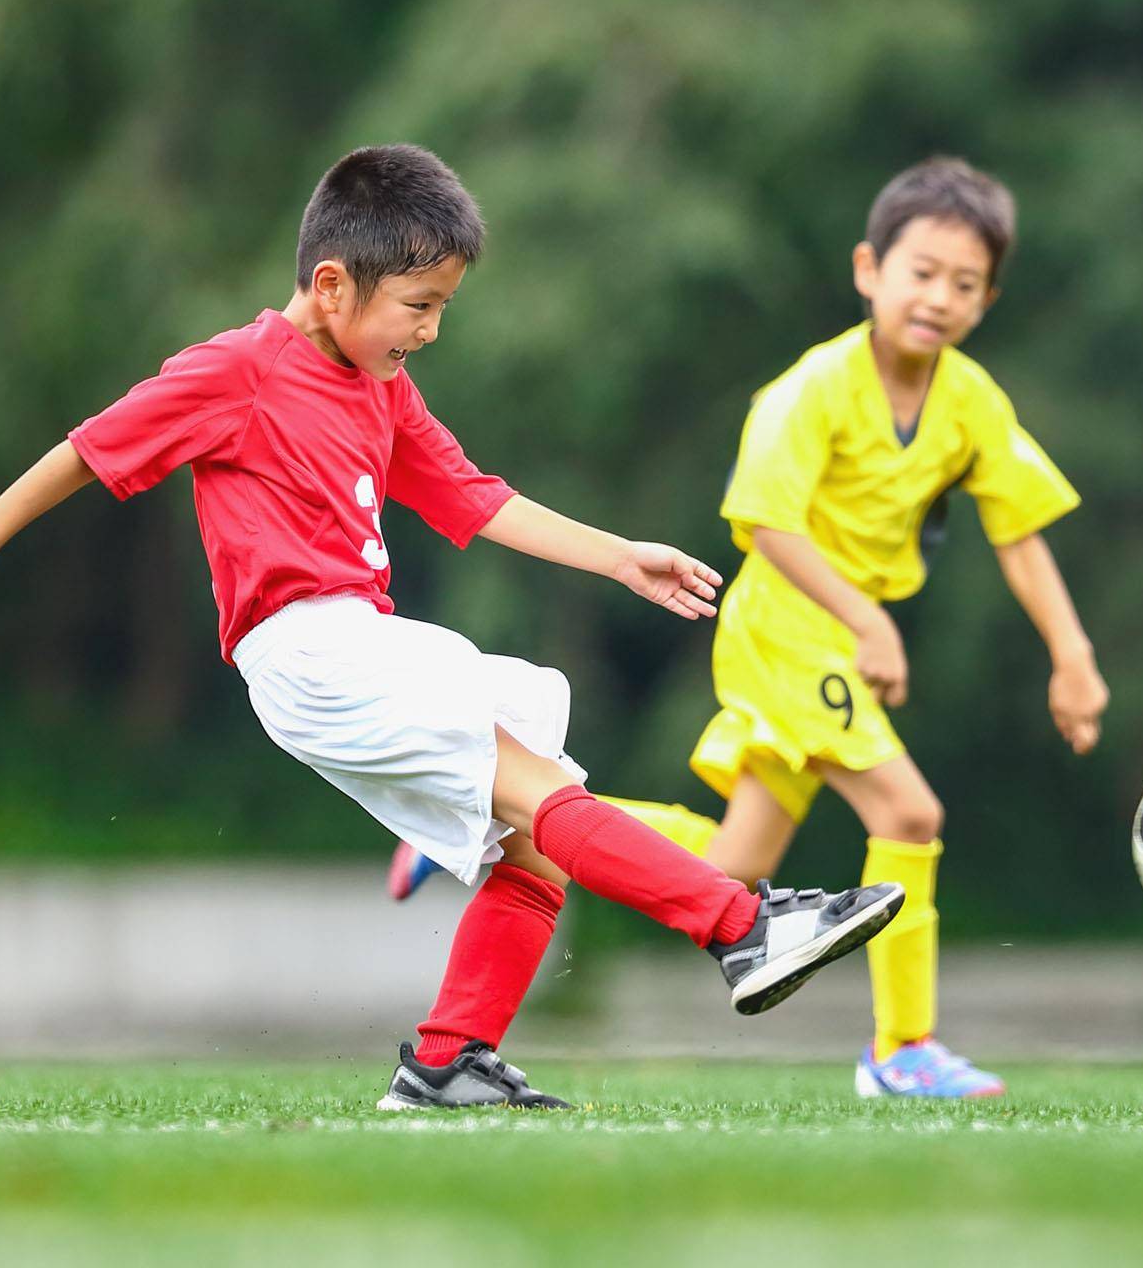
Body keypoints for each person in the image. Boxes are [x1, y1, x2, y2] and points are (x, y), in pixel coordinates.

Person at [0, 144, 903, 1110]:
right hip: (307, 650)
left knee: (535, 836)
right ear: (333, 285)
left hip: (365, 639)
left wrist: (618, 553)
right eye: (419, 305)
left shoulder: (382, 385)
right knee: (539, 786)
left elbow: (471, 495)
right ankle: (742, 926)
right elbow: (86, 449)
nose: (430, 328)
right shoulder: (234, 370)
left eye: (441, 306)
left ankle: (450, 1058)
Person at [389, 156, 1104, 1100]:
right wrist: (866, 622)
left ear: (988, 298)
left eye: (964, 284)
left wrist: (1072, 653)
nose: (939, 298)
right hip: (789, 626)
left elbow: (1018, 532)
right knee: (908, 812)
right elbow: (764, 522)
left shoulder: (970, 400)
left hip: (840, 637)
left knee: (735, 861)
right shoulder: (813, 389)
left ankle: (489, 813)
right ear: (867, 271)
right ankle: (903, 1053)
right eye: (921, 272)